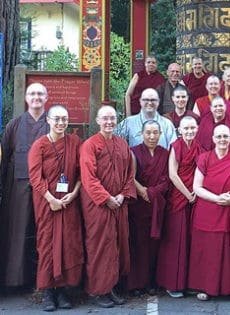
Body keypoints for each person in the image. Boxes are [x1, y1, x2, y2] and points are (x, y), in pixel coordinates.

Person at [188, 124, 230, 301]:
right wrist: (217, 198)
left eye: (225, 137)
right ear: (213, 139)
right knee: (207, 252)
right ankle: (205, 287)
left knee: (229, 250)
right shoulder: (204, 158)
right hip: (208, 211)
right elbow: (197, 187)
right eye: (219, 137)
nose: (222, 140)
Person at [79, 106, 136, 308]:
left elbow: (130, 174)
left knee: (117, 245)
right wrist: (106, 198)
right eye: (105, 118)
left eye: (112, 118)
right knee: (99, 245)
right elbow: (88, 177)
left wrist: (121, 196)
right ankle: (97, 290)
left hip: (119, 204)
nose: (109, 122)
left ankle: (111, 287)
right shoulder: (90, 145)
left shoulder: (122, 144)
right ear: (97, 120)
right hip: (98, 206)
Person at [28, 105, 83, 311]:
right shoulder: (39, 146)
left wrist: (75, 192)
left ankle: (63, 291)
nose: (61, 123)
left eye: (64, 119)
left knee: (68, 244)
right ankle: (48, 292)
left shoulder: (75, 142)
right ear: (48, 121)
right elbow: (35, 176)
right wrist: (50, 198)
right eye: (57, 119)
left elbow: (80, 172)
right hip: (46, 203)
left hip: (69, 202)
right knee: (47, 244)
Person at [0, 83, 49, 288]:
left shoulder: (52, 123)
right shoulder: (14, 124)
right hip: (18, 187)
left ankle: (44, 281)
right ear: (26, 98)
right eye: (32, 93)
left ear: (47, 98)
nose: (36, 97)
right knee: (18, 231)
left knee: (45, 233)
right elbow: (5, 158)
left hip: (47, 189)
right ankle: (17, 280)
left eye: (40, 94)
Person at [156, 116, 203, 298]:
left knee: (191, 240)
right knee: (176, 240)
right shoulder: (175, 146)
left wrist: (196, 192)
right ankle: (172, 283)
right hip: (179, 197)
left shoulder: (199, 148)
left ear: (197, 129)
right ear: (180, 130)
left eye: (193, 128)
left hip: (194, 197)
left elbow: (202, 170)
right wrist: (188, 193)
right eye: (186, 128)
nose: (190, 131)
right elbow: (173, 174)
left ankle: (188, 282)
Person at [127, 120, 170, 296]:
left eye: (155, 133)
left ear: (160, 134)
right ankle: (138, 283)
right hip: (139, 205)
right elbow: (130, 176)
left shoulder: (166, 154)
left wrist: (152, 192)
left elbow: (167, 178)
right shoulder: (134, 152)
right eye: (148, 133)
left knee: (155, 245)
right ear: (141, 134)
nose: (152, 136)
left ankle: (153, 281)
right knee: (139, 244)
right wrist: (143, 192)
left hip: (157, 205)